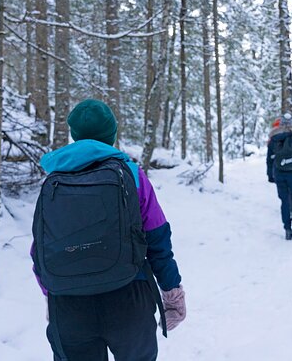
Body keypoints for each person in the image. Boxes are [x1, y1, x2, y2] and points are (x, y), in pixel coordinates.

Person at [31, 99, 185, 361]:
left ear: (74, 135)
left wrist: (52, 294)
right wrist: (172, 293)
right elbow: (158, 239)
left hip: (69, 303)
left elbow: (40, 249)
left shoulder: (54, 179)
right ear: (112, 135)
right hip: (128, 296)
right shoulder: (132, 174)